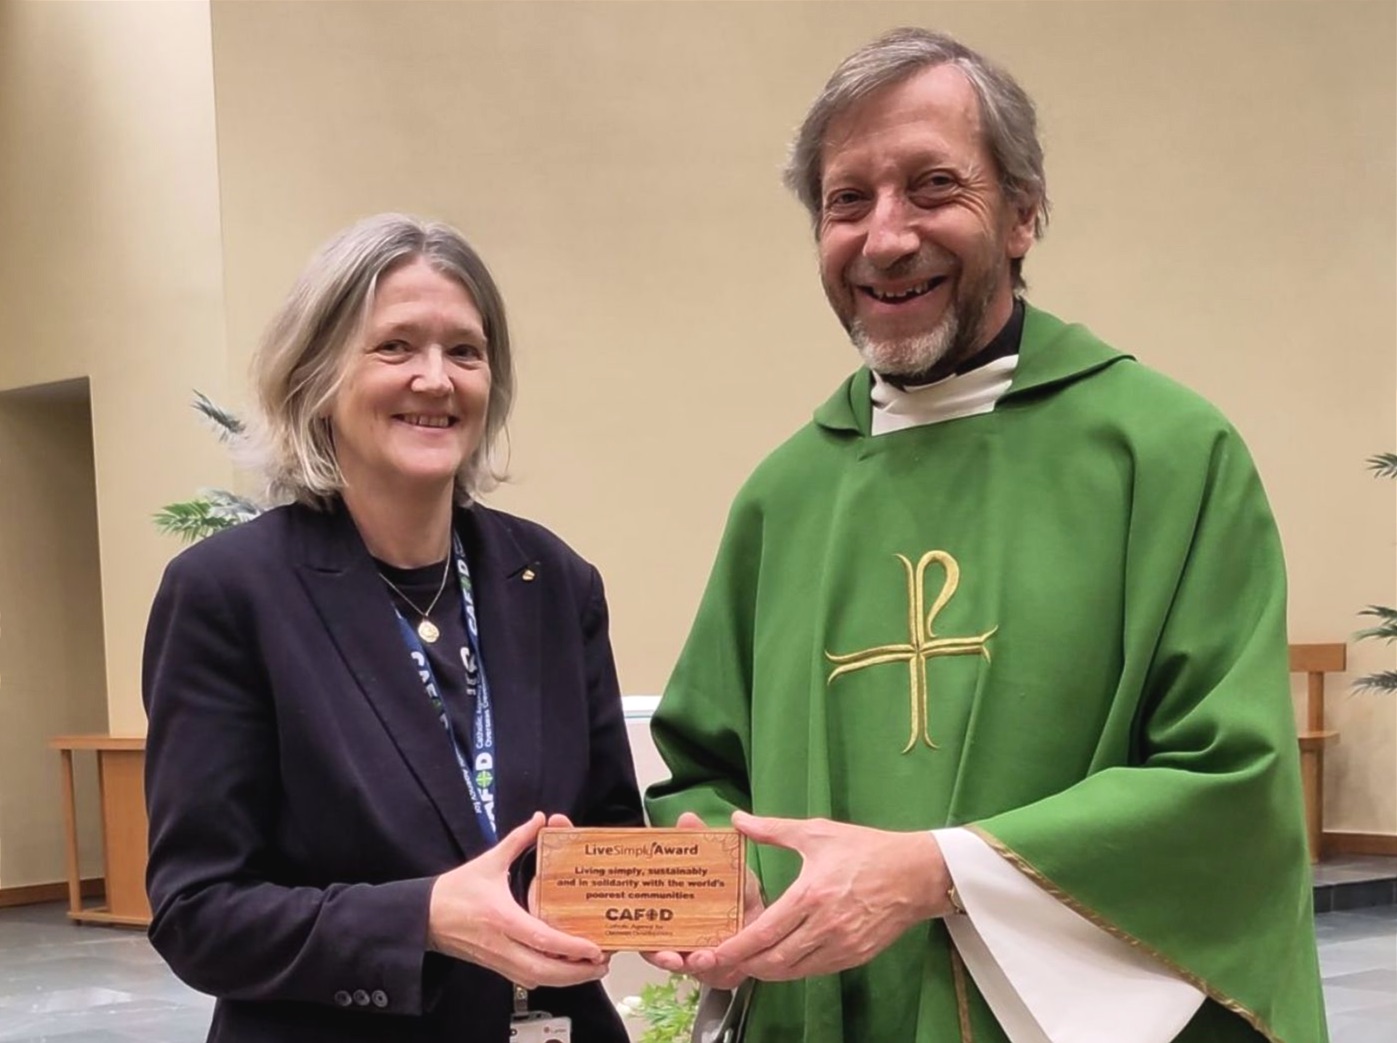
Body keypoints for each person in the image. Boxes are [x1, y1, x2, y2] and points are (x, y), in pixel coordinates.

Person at [644, 28, 1326, 1043]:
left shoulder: (1165, 454)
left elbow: (1226, 787)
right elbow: (701, 761)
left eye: (931, 186)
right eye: (846, 200)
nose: (884, 236)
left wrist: (932, 871)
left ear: (1022, 212)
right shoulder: (783, 494)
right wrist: (710, 875)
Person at [143, 213, 641, 1042]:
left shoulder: (552, 580)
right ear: (316, 377)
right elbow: (199, 912)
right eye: (396, 347)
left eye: (465, 351)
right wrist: (423, 917)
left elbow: (603, 832)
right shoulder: (230, 594)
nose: (436, 379)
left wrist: (675, 890)